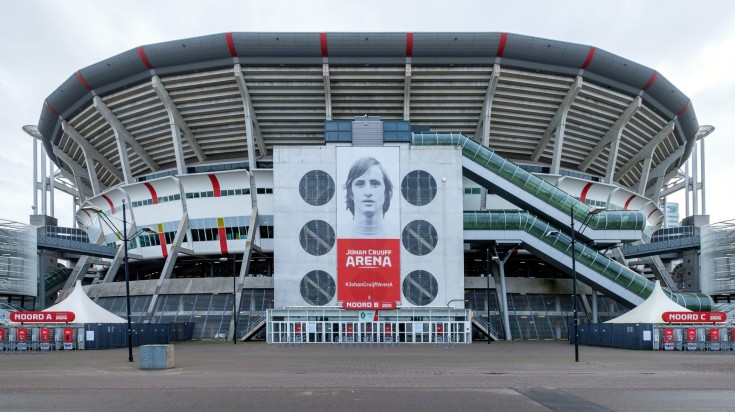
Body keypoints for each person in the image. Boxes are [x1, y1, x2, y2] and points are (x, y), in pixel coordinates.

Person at [343, 156, 394, 238]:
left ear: (386, 193)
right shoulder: (339, 234)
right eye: (360, 184)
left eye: (375, 184)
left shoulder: (397, 234)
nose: (368, 192)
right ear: (351, 193)